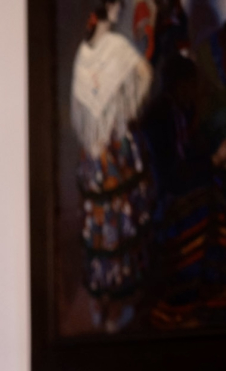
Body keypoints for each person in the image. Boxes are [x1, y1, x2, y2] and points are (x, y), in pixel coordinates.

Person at [70, 0, 155, 333]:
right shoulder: (104, 48)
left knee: (115, 225)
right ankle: (107, 304)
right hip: (105, 153)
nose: (121, 9)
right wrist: (111, 120)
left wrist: (115, 116)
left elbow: (141, 77)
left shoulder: (94, 51)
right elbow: (83, 107)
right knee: (109, 226)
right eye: (117, 5)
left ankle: (112, 303)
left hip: (106, 151)